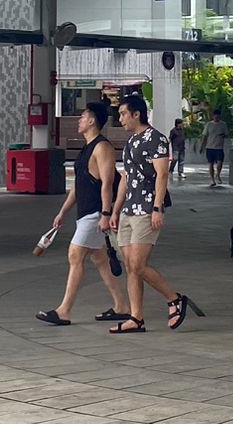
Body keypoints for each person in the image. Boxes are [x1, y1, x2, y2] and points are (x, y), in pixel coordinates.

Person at [38, 102, 127, 324]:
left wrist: (107, 214)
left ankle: (64, 311)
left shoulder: (102, 147)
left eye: (82, 117)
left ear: (92, 121)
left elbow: (107, 183)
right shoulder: (86, 148)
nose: (78, 120)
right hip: (85, 212)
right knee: (100, 261)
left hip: (96, 213)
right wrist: (63, 212)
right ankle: (122, 305)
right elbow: (79, 186)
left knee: (75, 255)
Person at [109, 92, 190, 332]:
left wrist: (157, 206)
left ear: (137, 114)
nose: (121, 119)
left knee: (139, 264)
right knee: (130, 266)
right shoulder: (132, 141)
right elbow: (125, 177)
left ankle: (174, 298)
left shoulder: (156, 139)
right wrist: (114, 210)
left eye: (123, 114)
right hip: (127, 209)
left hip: (146, 208)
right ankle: (136, 318)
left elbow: (162, 175)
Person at [202, 108, 228, 188]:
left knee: (220, 163)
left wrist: (222, 135)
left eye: (218, 116)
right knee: (211, 164)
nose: (216, 117)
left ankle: (218, 175)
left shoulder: (223, 124)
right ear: (213, 116)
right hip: (210, 147)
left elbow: (227, 134)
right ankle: (212, 179)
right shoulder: (209, 124)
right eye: (215, 116)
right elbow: (205, 135)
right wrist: (202, 145)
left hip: (219, 147)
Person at [169, 117, 188, 183]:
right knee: (175, 159)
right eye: (180, 124)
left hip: (182, 147)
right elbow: (170, 138)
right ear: (177, 124)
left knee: (181, 160)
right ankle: (171, 170)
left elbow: (184, 137)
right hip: (175, 147)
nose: (181, 125)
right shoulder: (173, 131)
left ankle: (181, 172)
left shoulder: (183, 130)